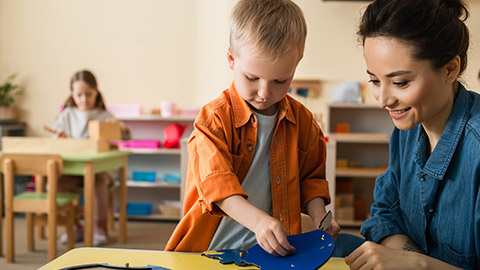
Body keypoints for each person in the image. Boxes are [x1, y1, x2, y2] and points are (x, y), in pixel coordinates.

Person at [165, 0, 340, 256]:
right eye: (252, 78)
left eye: (280, 80)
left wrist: (318, 216)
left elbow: (311, 179)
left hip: (276, 252)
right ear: (231, 59)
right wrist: (259, 221)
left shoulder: (303, 121)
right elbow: (217, 187)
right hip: (211, 251)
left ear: (296, 64)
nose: (265, 92)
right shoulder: (213, 120)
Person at [340, 0, 479, 269]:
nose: (382, 100)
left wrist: (416, 264)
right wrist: (401, 255)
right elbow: (384, 213)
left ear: (450, 69)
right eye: (375, 81)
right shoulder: (408, 128)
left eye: (401, 82)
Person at [52, 69, 131, 246]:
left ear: (96, 92)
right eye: (79, 95)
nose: (84, 99)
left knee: (97, 181)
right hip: (74, 168)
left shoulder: (104, 115)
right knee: (58, 184)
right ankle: (74, 226)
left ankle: (98, 227)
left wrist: (119, 127)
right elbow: (54, 140)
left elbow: (126, 135)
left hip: (101, 169)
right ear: (72, 94)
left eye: (89, 94)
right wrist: (59, 139)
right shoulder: (66, 115)